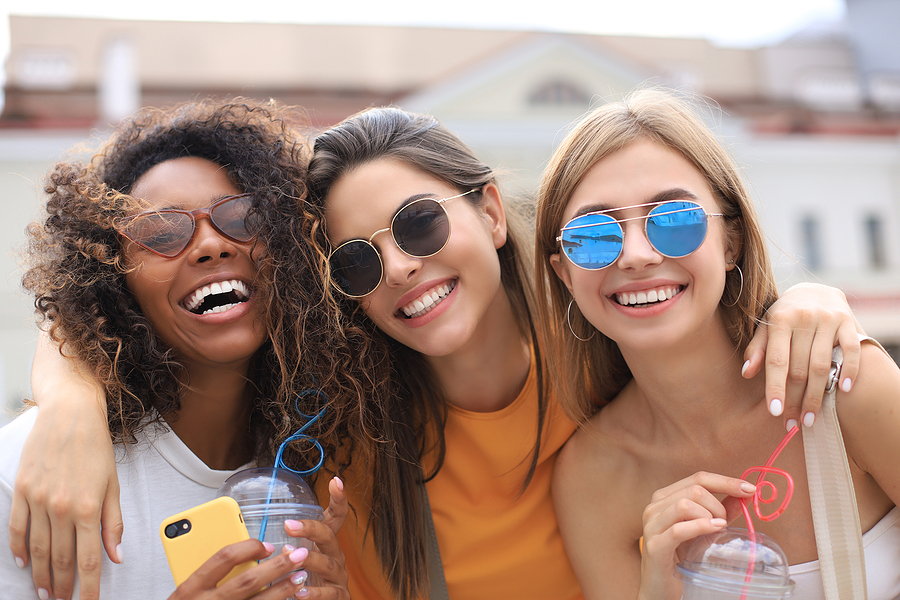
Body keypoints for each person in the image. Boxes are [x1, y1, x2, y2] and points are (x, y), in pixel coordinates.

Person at [11, 105, 863, 600]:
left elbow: (708, 301)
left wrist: (818, 302)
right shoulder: (343, 451)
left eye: (420, 222)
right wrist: (67, 399)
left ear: (490, 213)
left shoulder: (613, 358)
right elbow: (137, 313)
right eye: (357, 259)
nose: (404, 266)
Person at [537, 88, 900, 600]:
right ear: (565, 275)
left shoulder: (847, 386)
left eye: (674, 220)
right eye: (593, 235)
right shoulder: (590, 479)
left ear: (730, 242)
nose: (637, 255)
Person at [0, 99, 352, 600]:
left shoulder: (335, 454)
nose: (210, 244)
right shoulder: (32, 475)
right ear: (112, 282)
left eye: (243, 216)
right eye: (162, 233)